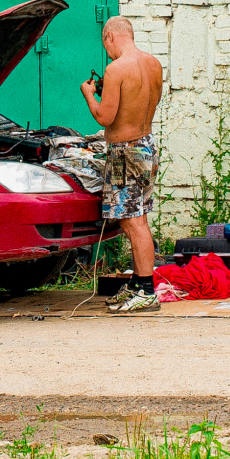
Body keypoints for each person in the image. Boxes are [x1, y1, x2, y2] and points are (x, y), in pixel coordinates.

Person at [81, 16, 164, 314]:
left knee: (133, 221)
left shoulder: (115, 69)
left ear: (110, 37)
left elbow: (105, 117)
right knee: (137, 217)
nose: (107, 51)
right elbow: (137, 102)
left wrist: (90, 95)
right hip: (146, 145)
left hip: (125, 152)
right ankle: (139, 283)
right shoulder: (153, 63)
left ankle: (146, 291)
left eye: (106, 44)